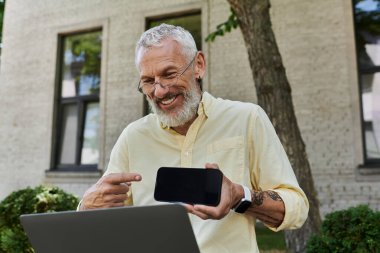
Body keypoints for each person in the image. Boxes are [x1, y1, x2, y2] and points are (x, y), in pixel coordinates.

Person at [79, 23, 309, 253]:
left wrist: (240, 196)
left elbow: (296, 208)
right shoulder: (133, 137)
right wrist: (87, 207)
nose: (159, 91)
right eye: (148, 81)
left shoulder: (247, 118)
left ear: (198, 65)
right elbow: (104, 219)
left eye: (169, 74)